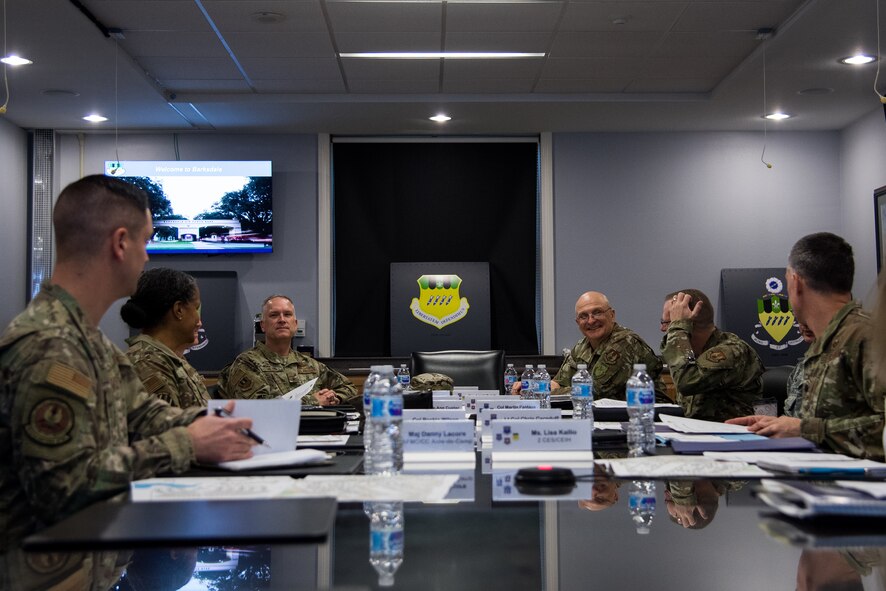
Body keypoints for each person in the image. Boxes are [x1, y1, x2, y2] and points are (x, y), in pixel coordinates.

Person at [0, 175, 256, 547]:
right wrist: (186, 443)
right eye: (146, 241)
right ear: (121, 243)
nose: (148, 256)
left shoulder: (88, 340)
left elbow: (141, 413)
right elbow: (65, 487)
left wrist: (209, 422)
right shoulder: (49, 346)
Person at [727, 232, 885, 460]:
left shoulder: (864, 338)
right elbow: (839, 419)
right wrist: (783, 425)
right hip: (819, 488)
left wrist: (804, 430)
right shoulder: (827, 341)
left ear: (795, 281)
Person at [516, 291, 665, 400]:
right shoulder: (582, 346)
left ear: (612, 315)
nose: (591, 321)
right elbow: (559, 382)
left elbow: (593, 391)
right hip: (606, 417)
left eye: (597, 312)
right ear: (577, 322)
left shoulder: (624, 342)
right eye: (583, 316)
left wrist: (538, 390)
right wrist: (530, 386)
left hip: (649, 417)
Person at [219, 295, 359, 406]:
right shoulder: (247, 363)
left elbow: (349, 388)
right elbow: (260, 407)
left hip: (315, 433)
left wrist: (334, 398)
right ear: (263, 326)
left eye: (287, 314)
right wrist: (314, 401)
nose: (282, 320)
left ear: (295, 324)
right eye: (274, 315)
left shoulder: (309, 364)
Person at [660, 289, 764, 421]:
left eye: (668, 322)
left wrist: (678, 327)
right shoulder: (690, 353)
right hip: (694, 433)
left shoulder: (732, 350)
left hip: (731, 437)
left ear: (688, 324)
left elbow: (687, 382)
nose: (662, 329)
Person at [120, 268, 210, 408]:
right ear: (178, 310)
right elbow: (167, 427)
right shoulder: (147, 365)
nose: (199, 322)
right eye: (196, 308)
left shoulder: (169, 359)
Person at [783, 322, 815, 418]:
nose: (805, 326)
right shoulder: (800, 367)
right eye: (801, 321)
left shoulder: (839, 362)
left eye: (811, 319)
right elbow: (789, 415)